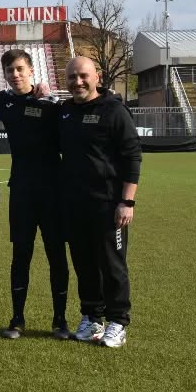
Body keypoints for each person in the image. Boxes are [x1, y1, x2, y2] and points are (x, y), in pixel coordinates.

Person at [0, 49, 69, 339]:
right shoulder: (1, 101)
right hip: (21, 190)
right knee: (21, 254)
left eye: (20, 68)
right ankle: (17, 319)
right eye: (10, 70)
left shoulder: (50, 103)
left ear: (31, 70)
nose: (15, 74)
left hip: (53, 190)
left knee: (56, 254)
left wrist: (51, 96)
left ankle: (60, 320)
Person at [58, 56, 141, 348]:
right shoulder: (65, 111)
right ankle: (92, 317)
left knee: (112, 265)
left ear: (98, 77)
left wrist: (127, 201)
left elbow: (132, 157)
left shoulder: (114, 110)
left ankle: (118, 321)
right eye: (72, 77)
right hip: (74, 204)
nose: (77, 82)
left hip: (108, 205)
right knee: (84, 264)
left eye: (83, 76)